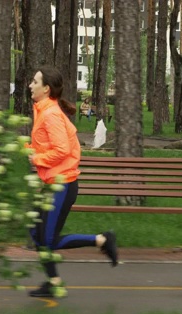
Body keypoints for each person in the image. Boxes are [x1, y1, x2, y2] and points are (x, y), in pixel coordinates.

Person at [25, 65, 118, 298]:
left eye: (35, 82)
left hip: (62, 185)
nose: (30, 85)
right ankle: (53, 283)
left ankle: (102, 240)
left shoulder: (51, 114)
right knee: (37, 234)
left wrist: (35, 158)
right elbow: (46, 146)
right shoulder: (43, 110)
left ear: (46, 89)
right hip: (51, 183)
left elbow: (62, 150)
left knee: (48, 240)